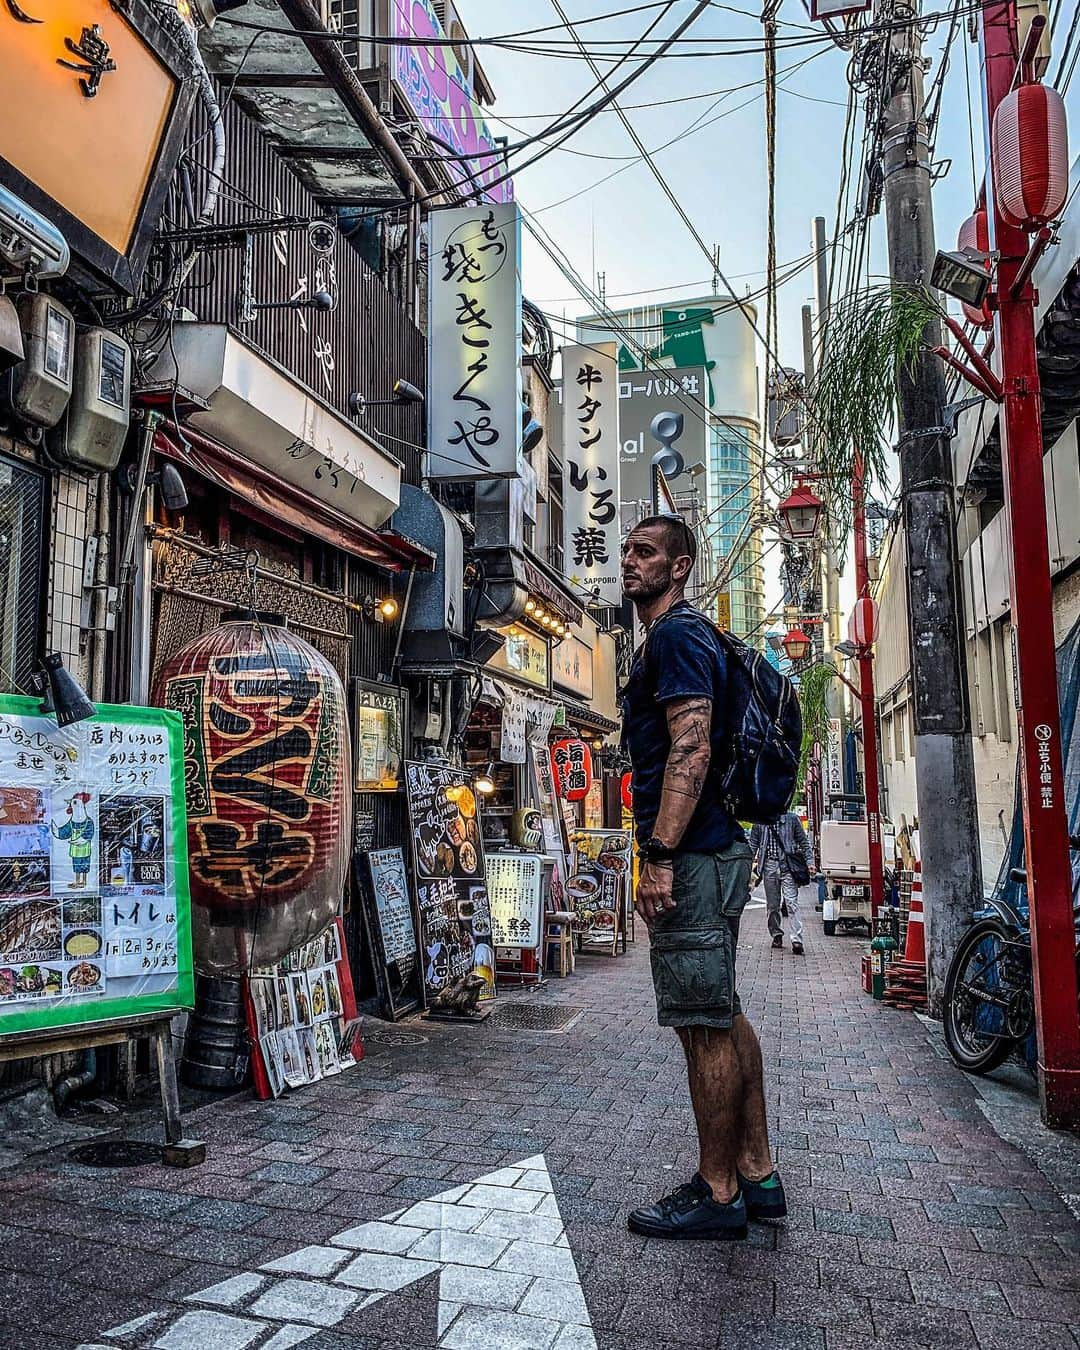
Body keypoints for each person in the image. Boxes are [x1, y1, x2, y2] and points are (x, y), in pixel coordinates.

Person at [619, 516, 786, 1241]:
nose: (629, 562)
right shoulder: (688, 636)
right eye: (626, 550)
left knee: (701, 1027)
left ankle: (717, 1194)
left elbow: (691, 745)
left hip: (691, 856)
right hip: (716, 849)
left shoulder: (678, 636)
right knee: (722, 1011)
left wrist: (657, 853)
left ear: (680, 567)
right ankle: (757, 1172)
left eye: (645, 553)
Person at [749, 812, 814, 954]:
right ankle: (776, 934)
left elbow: (804, 842)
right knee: (773, 905)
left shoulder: (791, 819)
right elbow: (753, 844)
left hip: (788, 867)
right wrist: (747, 864)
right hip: (768, 866)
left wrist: (810, 862)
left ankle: (797, 939)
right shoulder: (760, 821)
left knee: (792, 903)